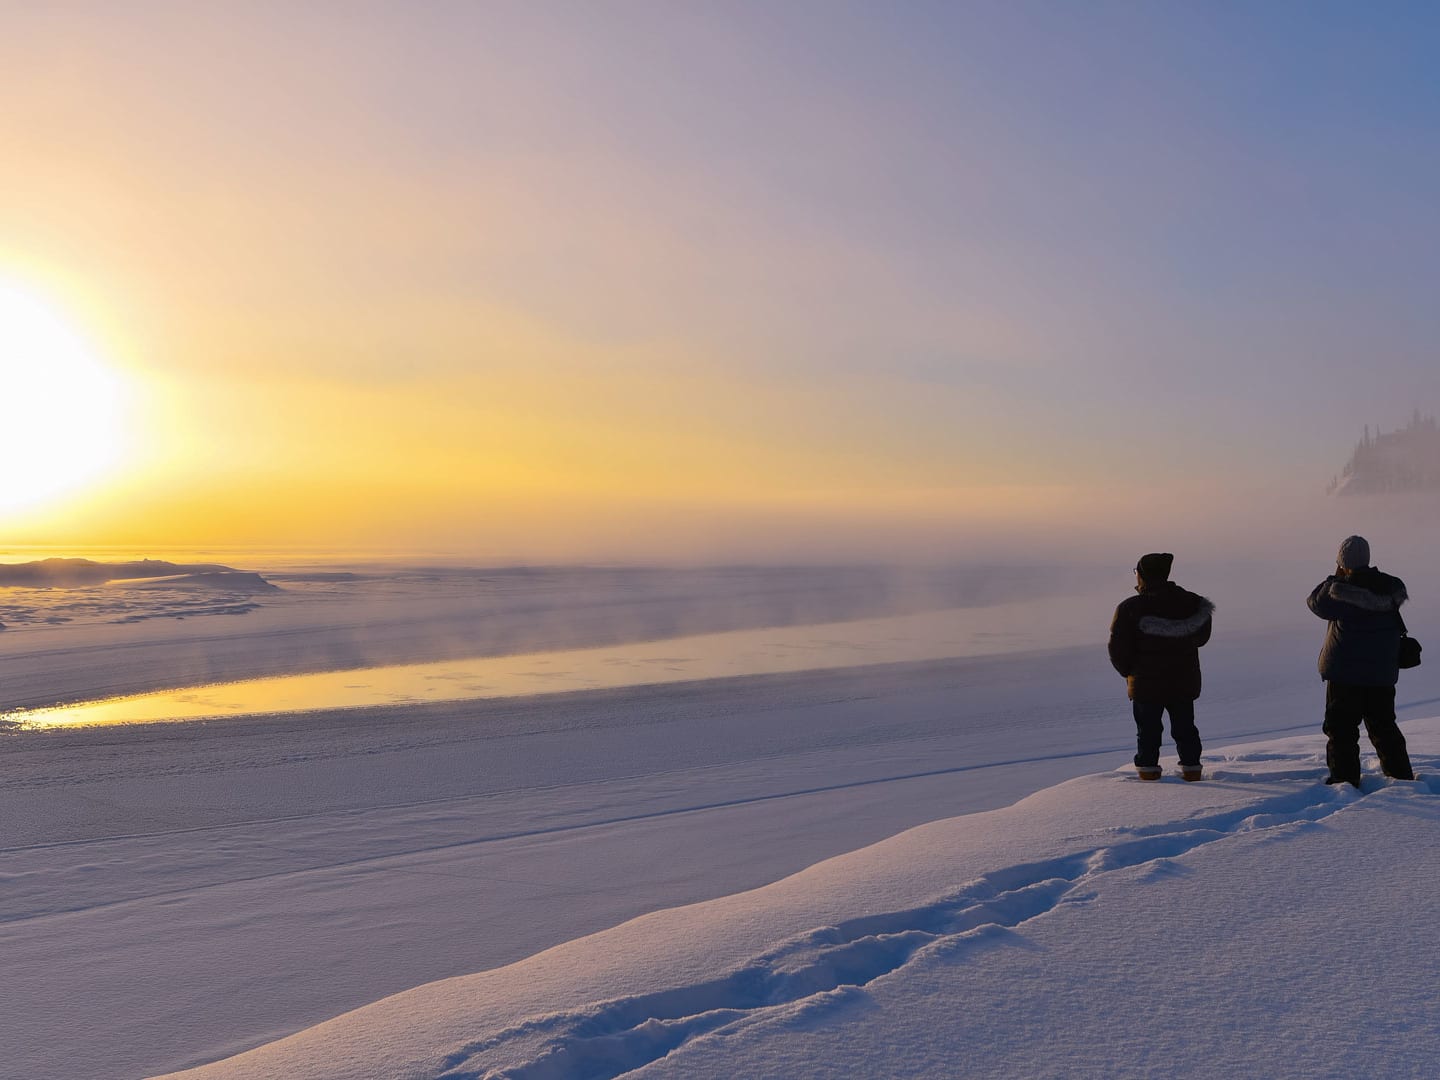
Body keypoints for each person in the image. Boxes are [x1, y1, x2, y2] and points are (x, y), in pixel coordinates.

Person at [1306, 535, 1414, 787]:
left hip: (1345, 674)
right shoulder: (1389, 587)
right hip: (1381, 674)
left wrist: (1334, 577)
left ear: (1342, 562)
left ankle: (1345, 780)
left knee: (1341, 730)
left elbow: (1314, 602)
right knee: (1384, 728)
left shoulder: (1338, 591)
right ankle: (1402, 777)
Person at [1108, 552, 1214, 781]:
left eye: (1136, 572)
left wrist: (1129, 672)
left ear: (1143, 575)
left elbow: (1117, 648)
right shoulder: (1192, 603)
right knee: (1185, 728)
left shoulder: (1130, 608)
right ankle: (1192, 770)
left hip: (1146, 683)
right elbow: (1202, 638)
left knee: (1147, 731)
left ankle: (1148, 776)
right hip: (1183, 679)